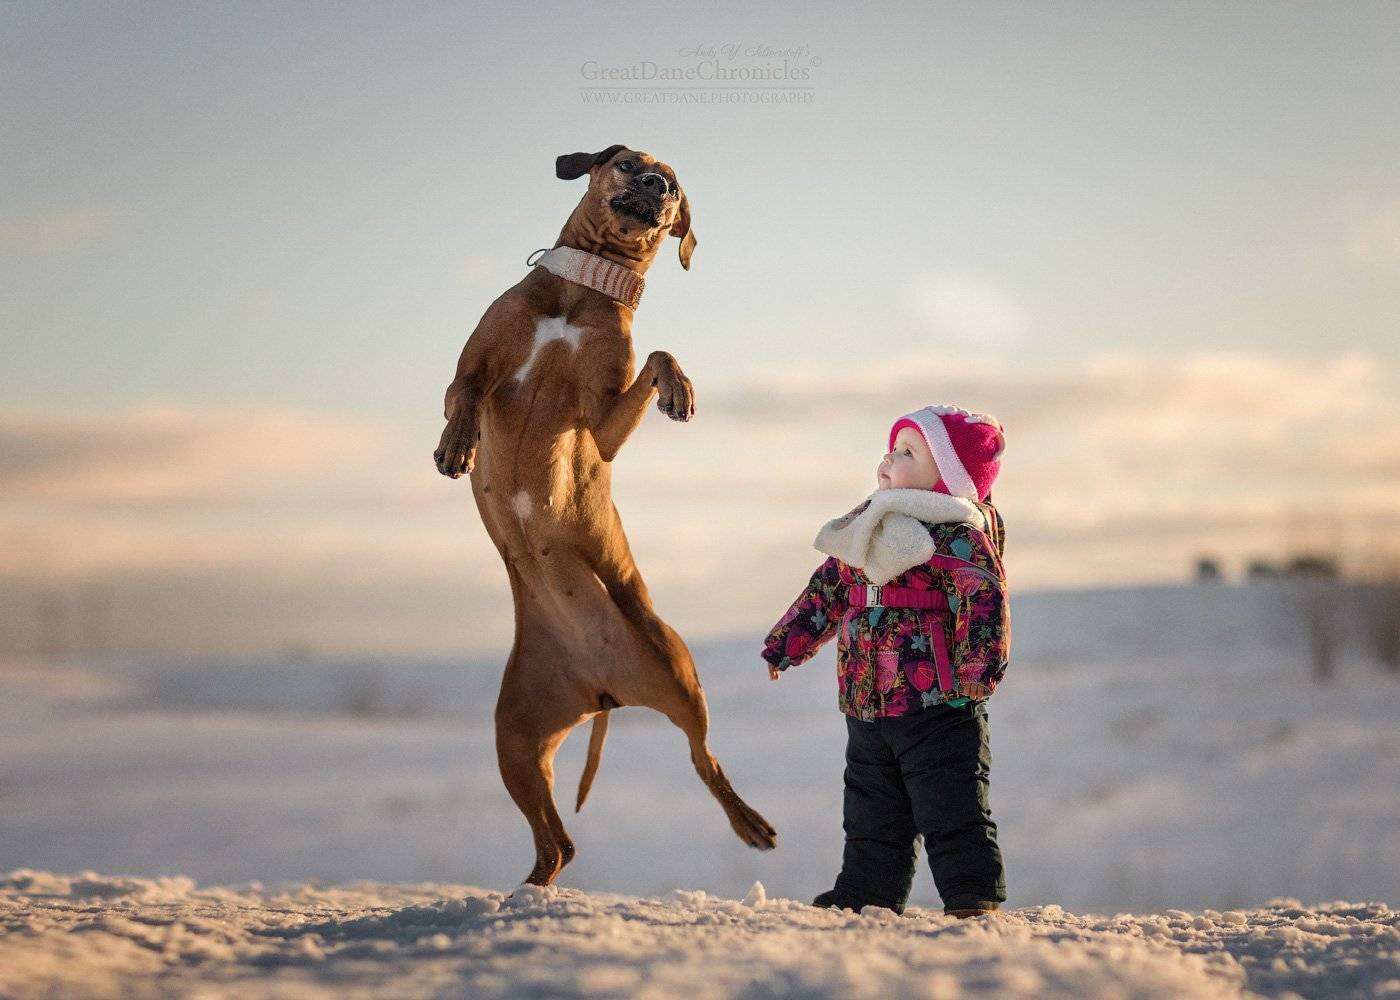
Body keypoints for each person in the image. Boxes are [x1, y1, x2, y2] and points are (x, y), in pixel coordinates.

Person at [761, 404, 1010, 918]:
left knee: (951, 804)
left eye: (908, 452)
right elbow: (826, 590)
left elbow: (983, 601)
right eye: (891, 448)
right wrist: (788, 642)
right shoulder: (865, 530)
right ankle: (867, 890)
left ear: (948, 475)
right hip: (865, 703)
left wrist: (974, 674)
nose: (887, 459)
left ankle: (971, 896)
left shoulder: (957, 536)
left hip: (938, 702)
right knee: (872, 809)